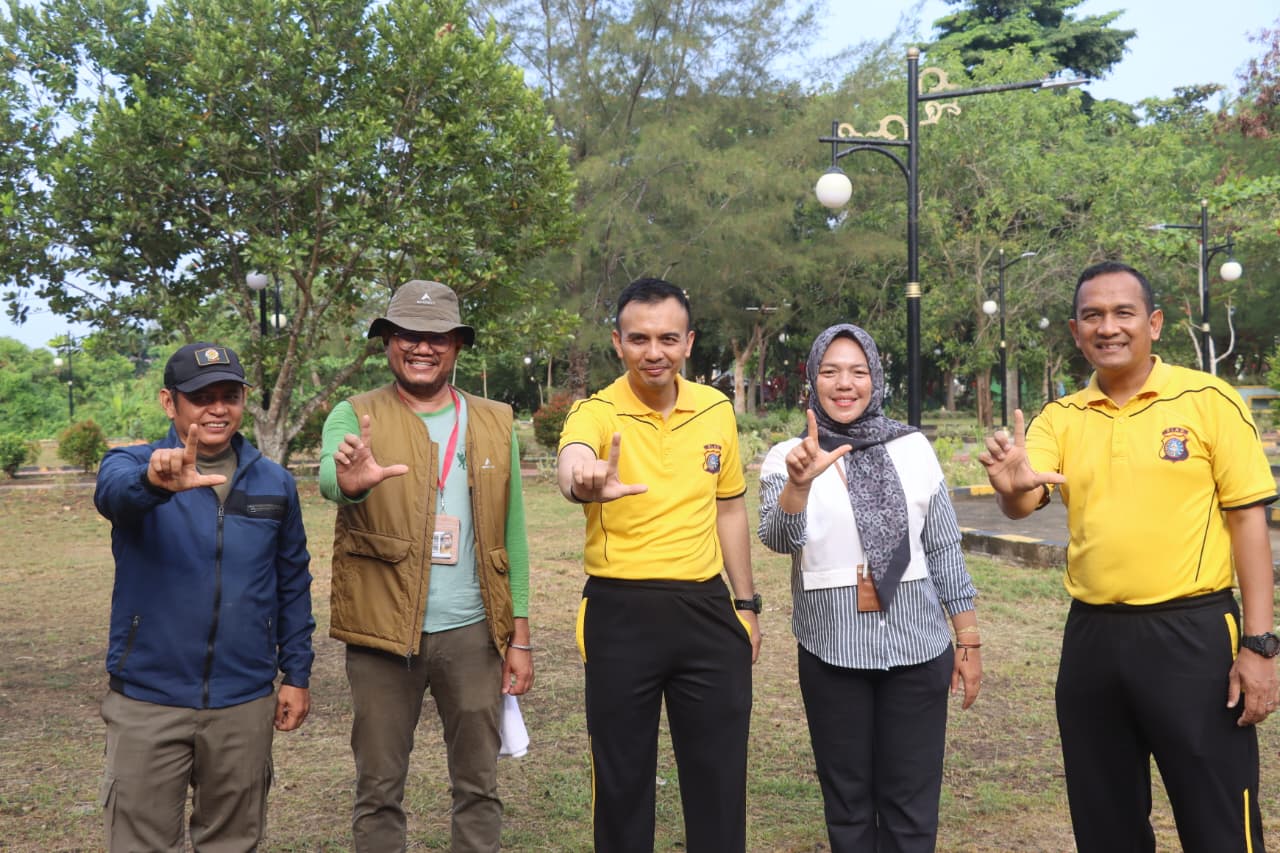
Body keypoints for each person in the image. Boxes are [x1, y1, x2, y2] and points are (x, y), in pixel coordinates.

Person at [979, 260, 1279, 853]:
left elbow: (1248, 520)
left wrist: (1260, 644)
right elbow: (1025, 497)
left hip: (1192, 633)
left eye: (1124, 313)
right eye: (1093, 315)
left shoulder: (1209, 400)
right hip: (1092, 638)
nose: (1108, 327)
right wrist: (1012, 483)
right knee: (1105, 820)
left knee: (1218, 814)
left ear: (1155, 323)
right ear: (1075, 330)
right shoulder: (1061, 417)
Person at [319, 279, 533, 852]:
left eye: (437, 336)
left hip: (472, 634)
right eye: (407, 335)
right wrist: (349, 480)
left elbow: (512, 533)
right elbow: (328, 479)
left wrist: (521, 636)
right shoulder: (354, 415)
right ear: (388, 342)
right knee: (379, 787)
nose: (422, 347)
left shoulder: (494, 420)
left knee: (479, 785)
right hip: (382, 636)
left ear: (457, 345)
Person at [757, 323, 981, 853]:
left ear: (876, 378)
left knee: (911, 804)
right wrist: (799, 484)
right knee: (849, 805)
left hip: (918, 648)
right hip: (831, 651)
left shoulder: (914, 447)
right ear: (812, 379)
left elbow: (944, 546)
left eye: (858, 371)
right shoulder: (789, 455)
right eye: (830, 371)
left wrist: (967, 640)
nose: (844, 383)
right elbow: (776, 536)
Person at [556, 277, 760, 853]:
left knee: (719, 780)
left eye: (668, 338)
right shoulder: (595, 412)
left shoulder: (715, 409)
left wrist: (745, 604)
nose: (654, 352)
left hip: (706, 609)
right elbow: (572, 463)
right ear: (618, 343)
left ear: (689, 342)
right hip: (620, 611)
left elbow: (730, 506)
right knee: (621, 785)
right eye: (639, 338)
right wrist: (584, 478)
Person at [93, 341, 315, 851]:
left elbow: (291, 583)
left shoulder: (274, 482)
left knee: (233, 842)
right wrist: (155, 483)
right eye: (202, 397)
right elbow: (115, 498)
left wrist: (296, 673)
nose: (218, 409)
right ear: (170, 403)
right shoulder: (131, 465)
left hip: (243, 700)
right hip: (149, 700)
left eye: (230, 395)